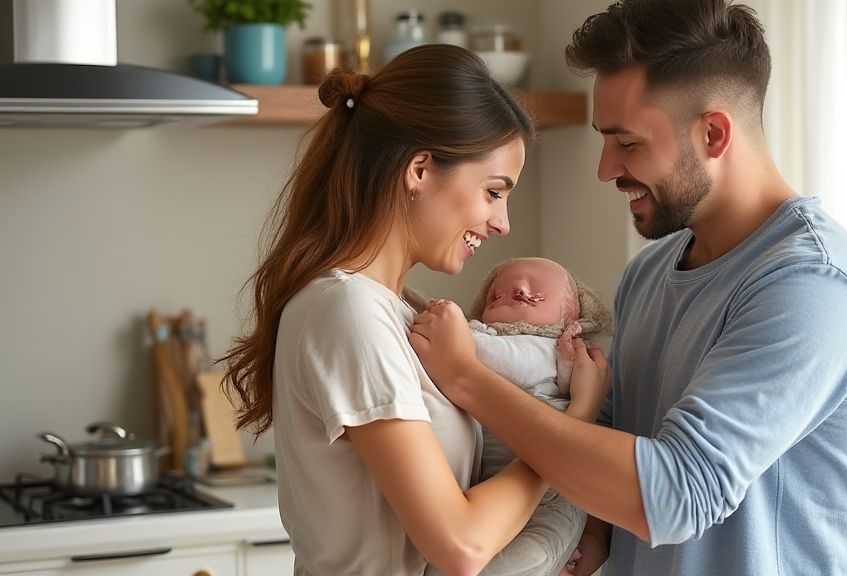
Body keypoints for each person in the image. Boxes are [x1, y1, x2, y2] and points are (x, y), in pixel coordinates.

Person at [409, 1, 847, 575]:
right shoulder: (651, 269)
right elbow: (604, 445)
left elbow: (675, 493)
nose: (604, 168)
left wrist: (468, 377)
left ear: (713, 133)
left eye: (628, 143)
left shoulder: (813, 287)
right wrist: (586, 534)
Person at [219, 44, 609, 576]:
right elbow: (461, 546)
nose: (503, 224)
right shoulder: (348, 311)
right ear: (420, 169)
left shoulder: (399, 310)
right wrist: (574, 430)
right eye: (494, 192)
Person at [461, 257, 612, 576]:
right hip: (500, 491)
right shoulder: (489, 338)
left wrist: (454, 333)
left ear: (571, 317)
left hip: (553, 501)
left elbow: (492, 357)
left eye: (535, 294)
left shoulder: (544, 348)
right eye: (496, 296)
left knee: (536, 552)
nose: (516, 289)